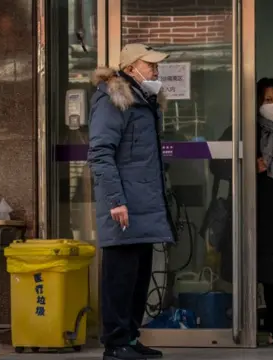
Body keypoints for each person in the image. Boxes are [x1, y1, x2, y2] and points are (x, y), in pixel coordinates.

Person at [88, 43, 175, 360]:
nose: (155, 71)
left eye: (155, 66)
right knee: (120, 277)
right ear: (130, 68)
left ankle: (130, 337)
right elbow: (100, 153)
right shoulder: (113, 100)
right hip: (124, 206)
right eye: (150, 65)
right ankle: (115, 343)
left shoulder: (144, 103)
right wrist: (115, 201)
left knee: (138, 277)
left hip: (144, 205)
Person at [210, 78, 273, 345]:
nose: (272, 106)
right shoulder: (240, 131)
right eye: (267, 101)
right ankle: (242, 327)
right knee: (247, 271)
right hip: (249, 212)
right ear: (256, 103)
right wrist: (248, 167)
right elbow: (216, 166)